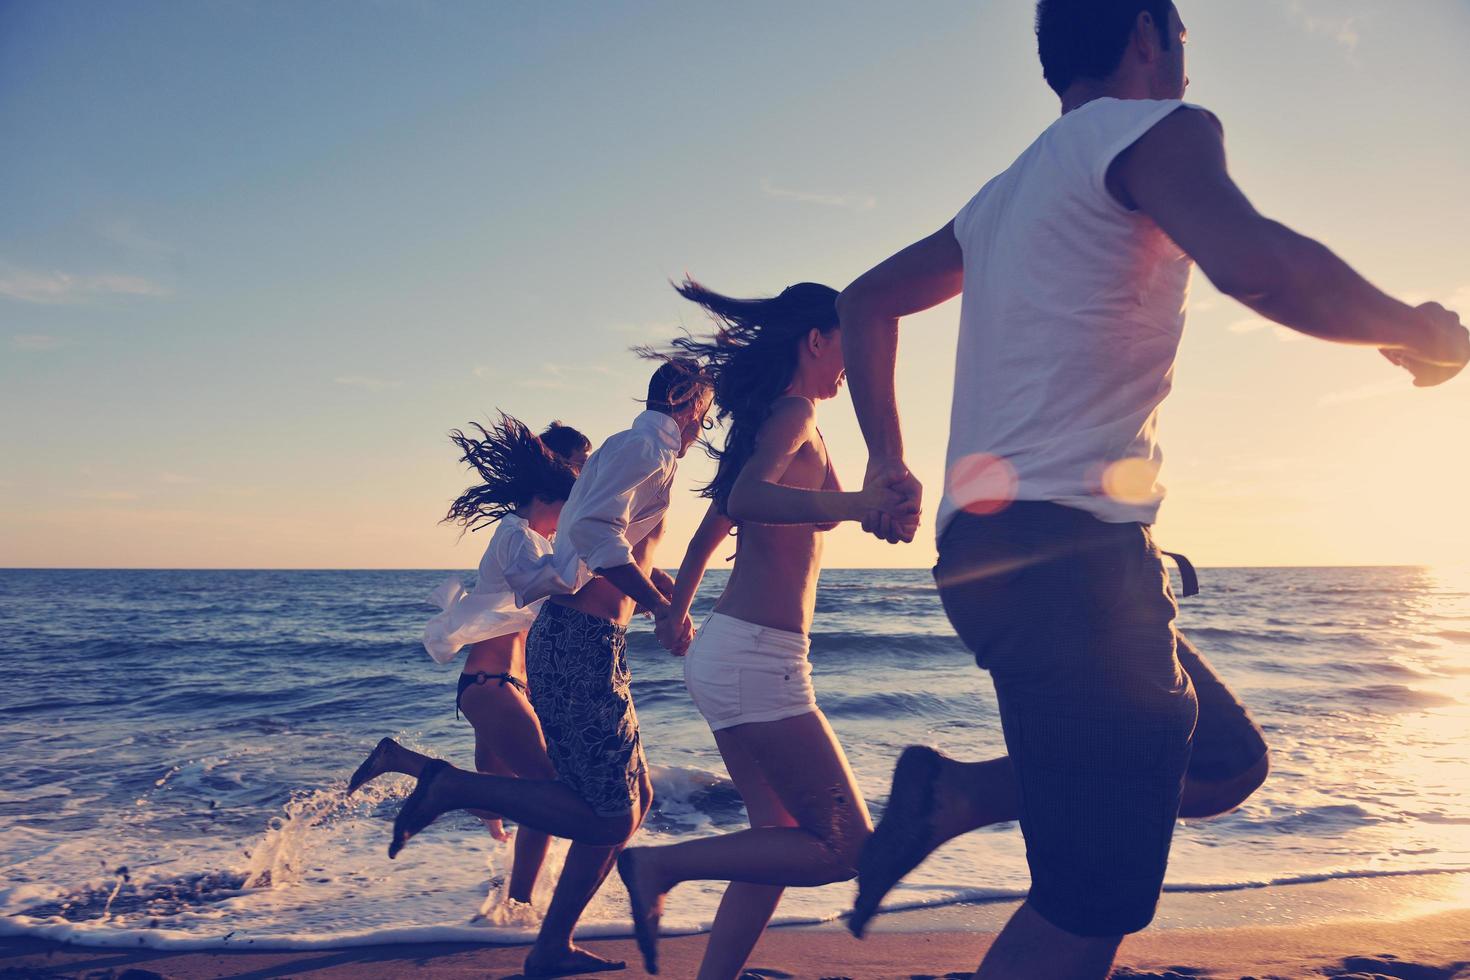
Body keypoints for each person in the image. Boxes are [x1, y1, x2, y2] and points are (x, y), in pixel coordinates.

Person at [835, 1, 1470, 977]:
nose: (1185, 60)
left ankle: (954, 798)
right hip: (1069, 557)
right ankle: (965, 809)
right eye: (1182, 36)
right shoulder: (1157, 129)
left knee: (1220, 761)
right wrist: (1413, 325)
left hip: (1007, 553)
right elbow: (1255, 265)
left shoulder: (1006, 193)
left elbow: (865, 299)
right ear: (1147, 33)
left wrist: (888, 457)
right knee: (1084, 910)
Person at [614, 281, 915, 978]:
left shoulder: (787, 420)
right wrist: (858, 500)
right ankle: (660, 866)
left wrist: (673, 611)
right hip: (756, 657)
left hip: (735, 651)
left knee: (777, 835)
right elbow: (749, 500)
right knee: (845, 847)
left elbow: (729, 524)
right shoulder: (793, 412)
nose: (852, 361)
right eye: (846, 341)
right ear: (816, 339)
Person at [385, 359, 715, 978]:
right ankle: (451, 788)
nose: (706, 424)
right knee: (608, 811)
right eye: (704, 409)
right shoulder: (643, 445)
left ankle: (549, 945)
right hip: (576, 642)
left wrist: (662, 593)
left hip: (596, 641)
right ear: (680, 399)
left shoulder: (644, 454)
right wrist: (658, 606)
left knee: (633, 800)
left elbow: (609, 548)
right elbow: (593, 532)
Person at [347, 416, 591, 915]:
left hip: (502, 685)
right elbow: (555, 586)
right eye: (574, 487)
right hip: (493, 684)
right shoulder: (518, 536)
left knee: (496, 801)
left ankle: (404, 762)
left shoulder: (532, 538)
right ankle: (520, 903)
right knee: (549, 796)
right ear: (551, 491)